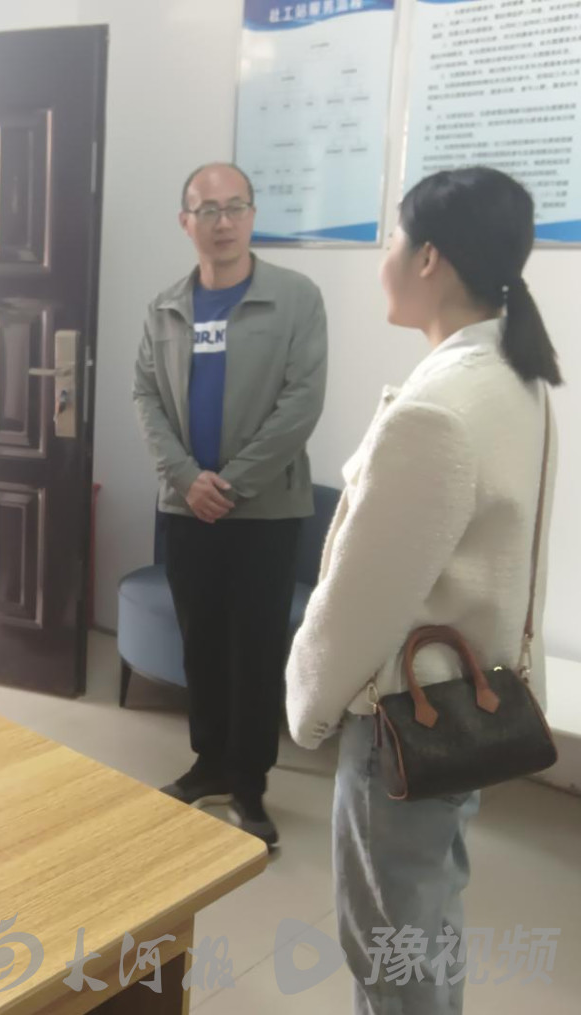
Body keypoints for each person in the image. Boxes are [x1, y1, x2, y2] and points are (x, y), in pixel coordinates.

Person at [286, 167, 561, 1012]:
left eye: (392, 240)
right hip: (469, 702)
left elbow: (363, 597)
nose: (385, 260)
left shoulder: (437, 409)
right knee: (427, 919)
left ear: (430, 257)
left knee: (390, 948)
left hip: (405, 721)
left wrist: (308, 707)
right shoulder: (516, 377)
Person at [133, 163, 328, 847]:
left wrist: (232, 483)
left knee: (255, 649)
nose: (222, 221)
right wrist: (188, 479)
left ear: (252, 215)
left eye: (235, 206)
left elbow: (301, 402)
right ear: (185, 222)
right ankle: (208, 763)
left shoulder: (295, 298)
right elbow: (146, 397)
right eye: (207, 209)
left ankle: (250, 783)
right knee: (202, 643)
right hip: (186, 508)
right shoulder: (165, 307)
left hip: (266, 510)